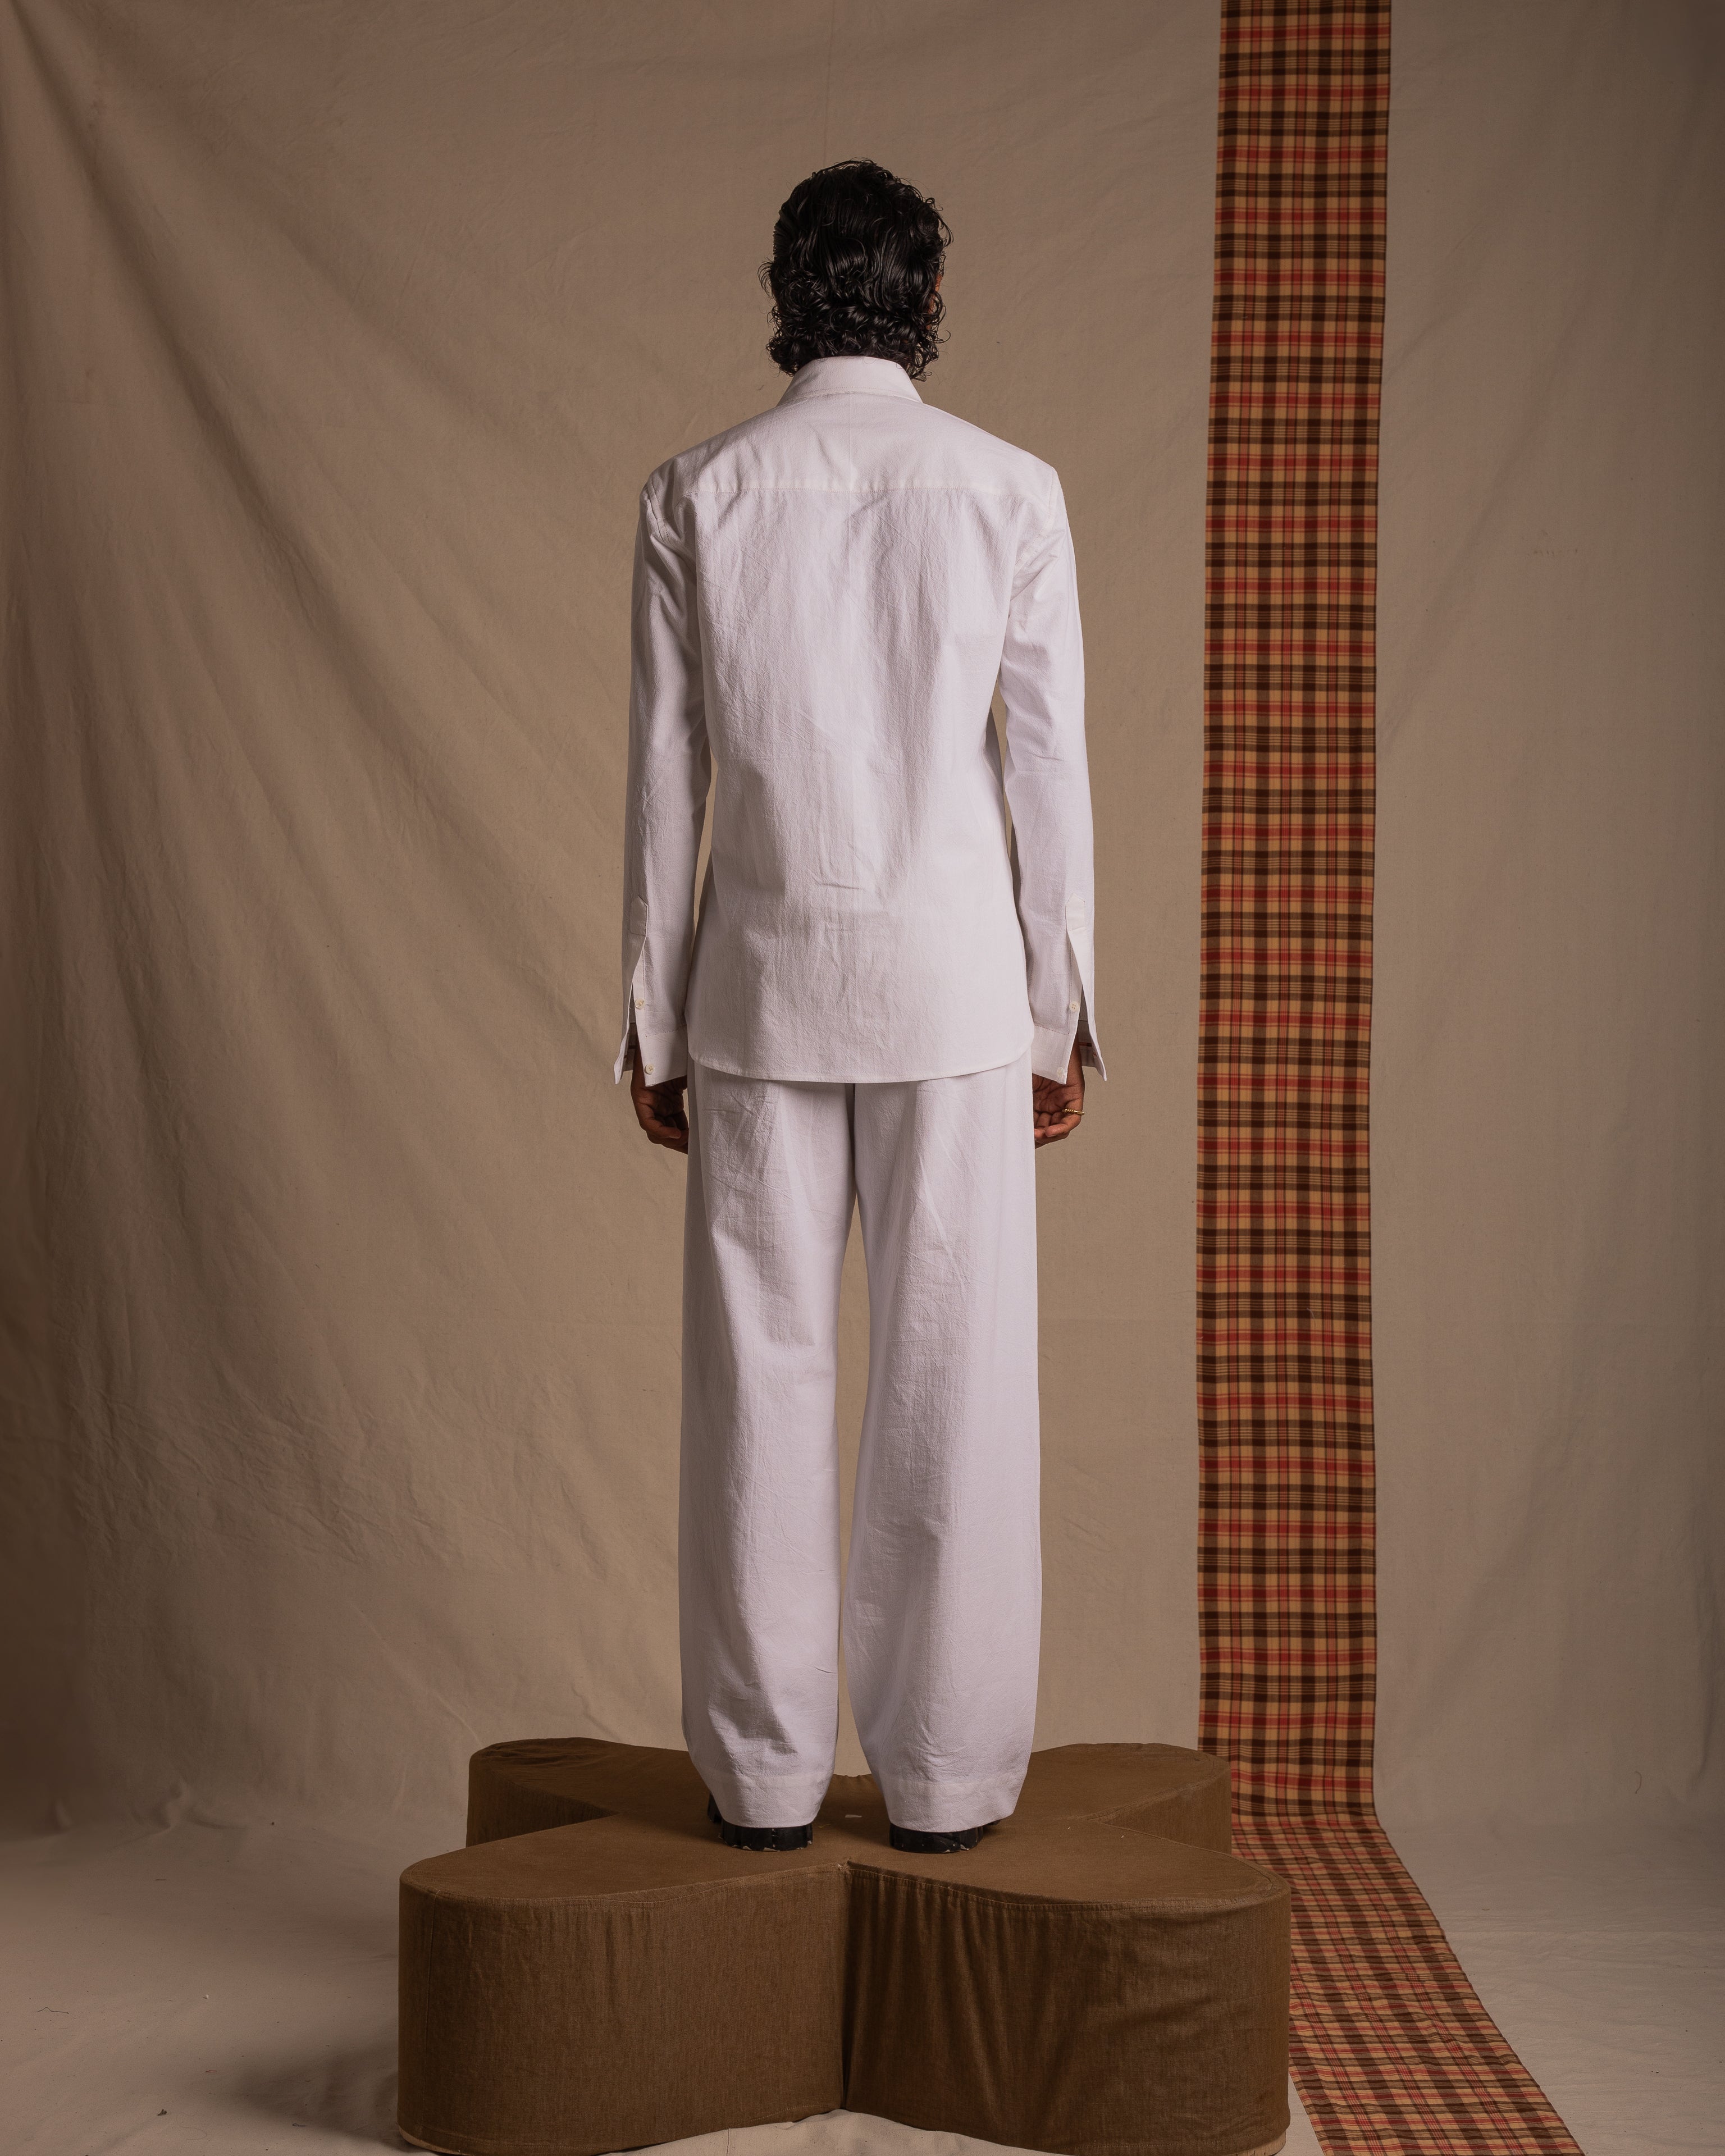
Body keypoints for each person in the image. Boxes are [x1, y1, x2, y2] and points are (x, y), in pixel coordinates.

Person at [614, 159, 1103, 1856]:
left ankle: (757, 1780)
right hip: (957, 994)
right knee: (955, 1393)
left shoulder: (698, 491)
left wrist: (652, 1018)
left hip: (758, 988)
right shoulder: (1010, 490)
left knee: (757, 1395)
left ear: (786, 293)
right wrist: (1058, 1016)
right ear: (928, 297)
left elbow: (664, 782)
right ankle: (949, 1783)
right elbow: (1049, 770)